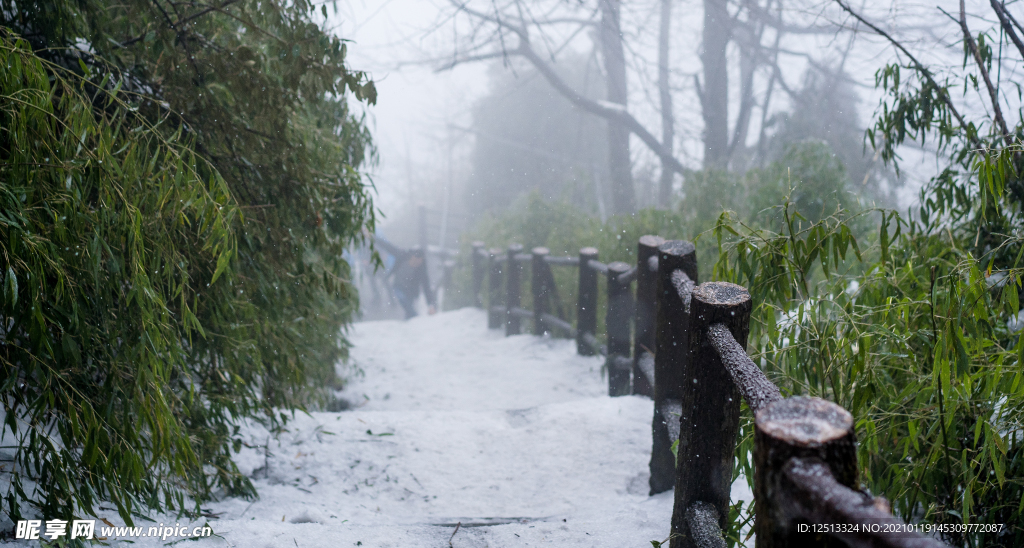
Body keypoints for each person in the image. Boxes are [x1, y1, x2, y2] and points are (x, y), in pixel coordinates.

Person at [374, 237, 436, 319]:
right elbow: (388, 246)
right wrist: (372, 237)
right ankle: (416, 318)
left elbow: (426, 286)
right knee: (404, 301)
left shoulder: (421, 269)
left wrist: (430, 305)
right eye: (415, 261)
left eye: (419, 262)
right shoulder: (402, 255)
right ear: (412, 256)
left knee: (408, 309)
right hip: (398, 286)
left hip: (411, 290)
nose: (416, 264)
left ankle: (410, 323)